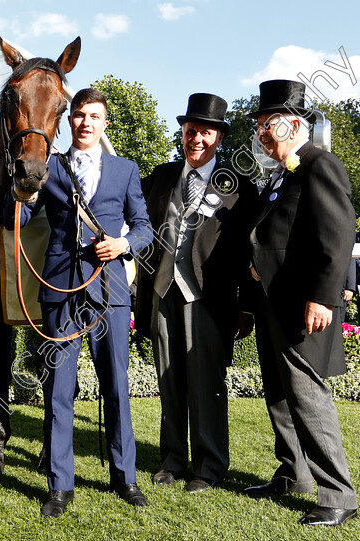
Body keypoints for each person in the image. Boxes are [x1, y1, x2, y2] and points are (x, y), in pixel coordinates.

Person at [5, 88, 153, 517]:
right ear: (68, 122)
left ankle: (125, 478)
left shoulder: (126, 170)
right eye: (79, 116)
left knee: (116, 387)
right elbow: (25, 216)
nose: (85, 122)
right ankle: (60, 485)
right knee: (59, 389)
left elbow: (143, 225)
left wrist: (123, 244)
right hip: (59, 290)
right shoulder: (48, 165)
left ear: (105, 122)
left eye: (94, 116)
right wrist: (25, 194)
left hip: (108, 291)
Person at [244, 80, 358, 527]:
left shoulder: (320, 164)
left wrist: (323, 298)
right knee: (279, 394)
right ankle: (295, 475)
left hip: (302, 305)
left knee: (308, 396)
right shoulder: (284, 171)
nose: (259, 134)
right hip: (272, 302)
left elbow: (337, 235)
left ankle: (338, 496)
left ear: (293, 125)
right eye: (257, 126)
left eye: (265, 125)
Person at [135, 93, 256, 493]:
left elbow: (245, 254)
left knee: (206, 384)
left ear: (219, 138)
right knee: (168, 380)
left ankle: (208, 466)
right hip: (160, 291)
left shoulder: (238, 186)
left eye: (205, 131)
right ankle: (172, 460)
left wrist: (245, 307)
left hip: (208, 297)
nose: (196, 139)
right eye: (190, 131)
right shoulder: (161, 176)